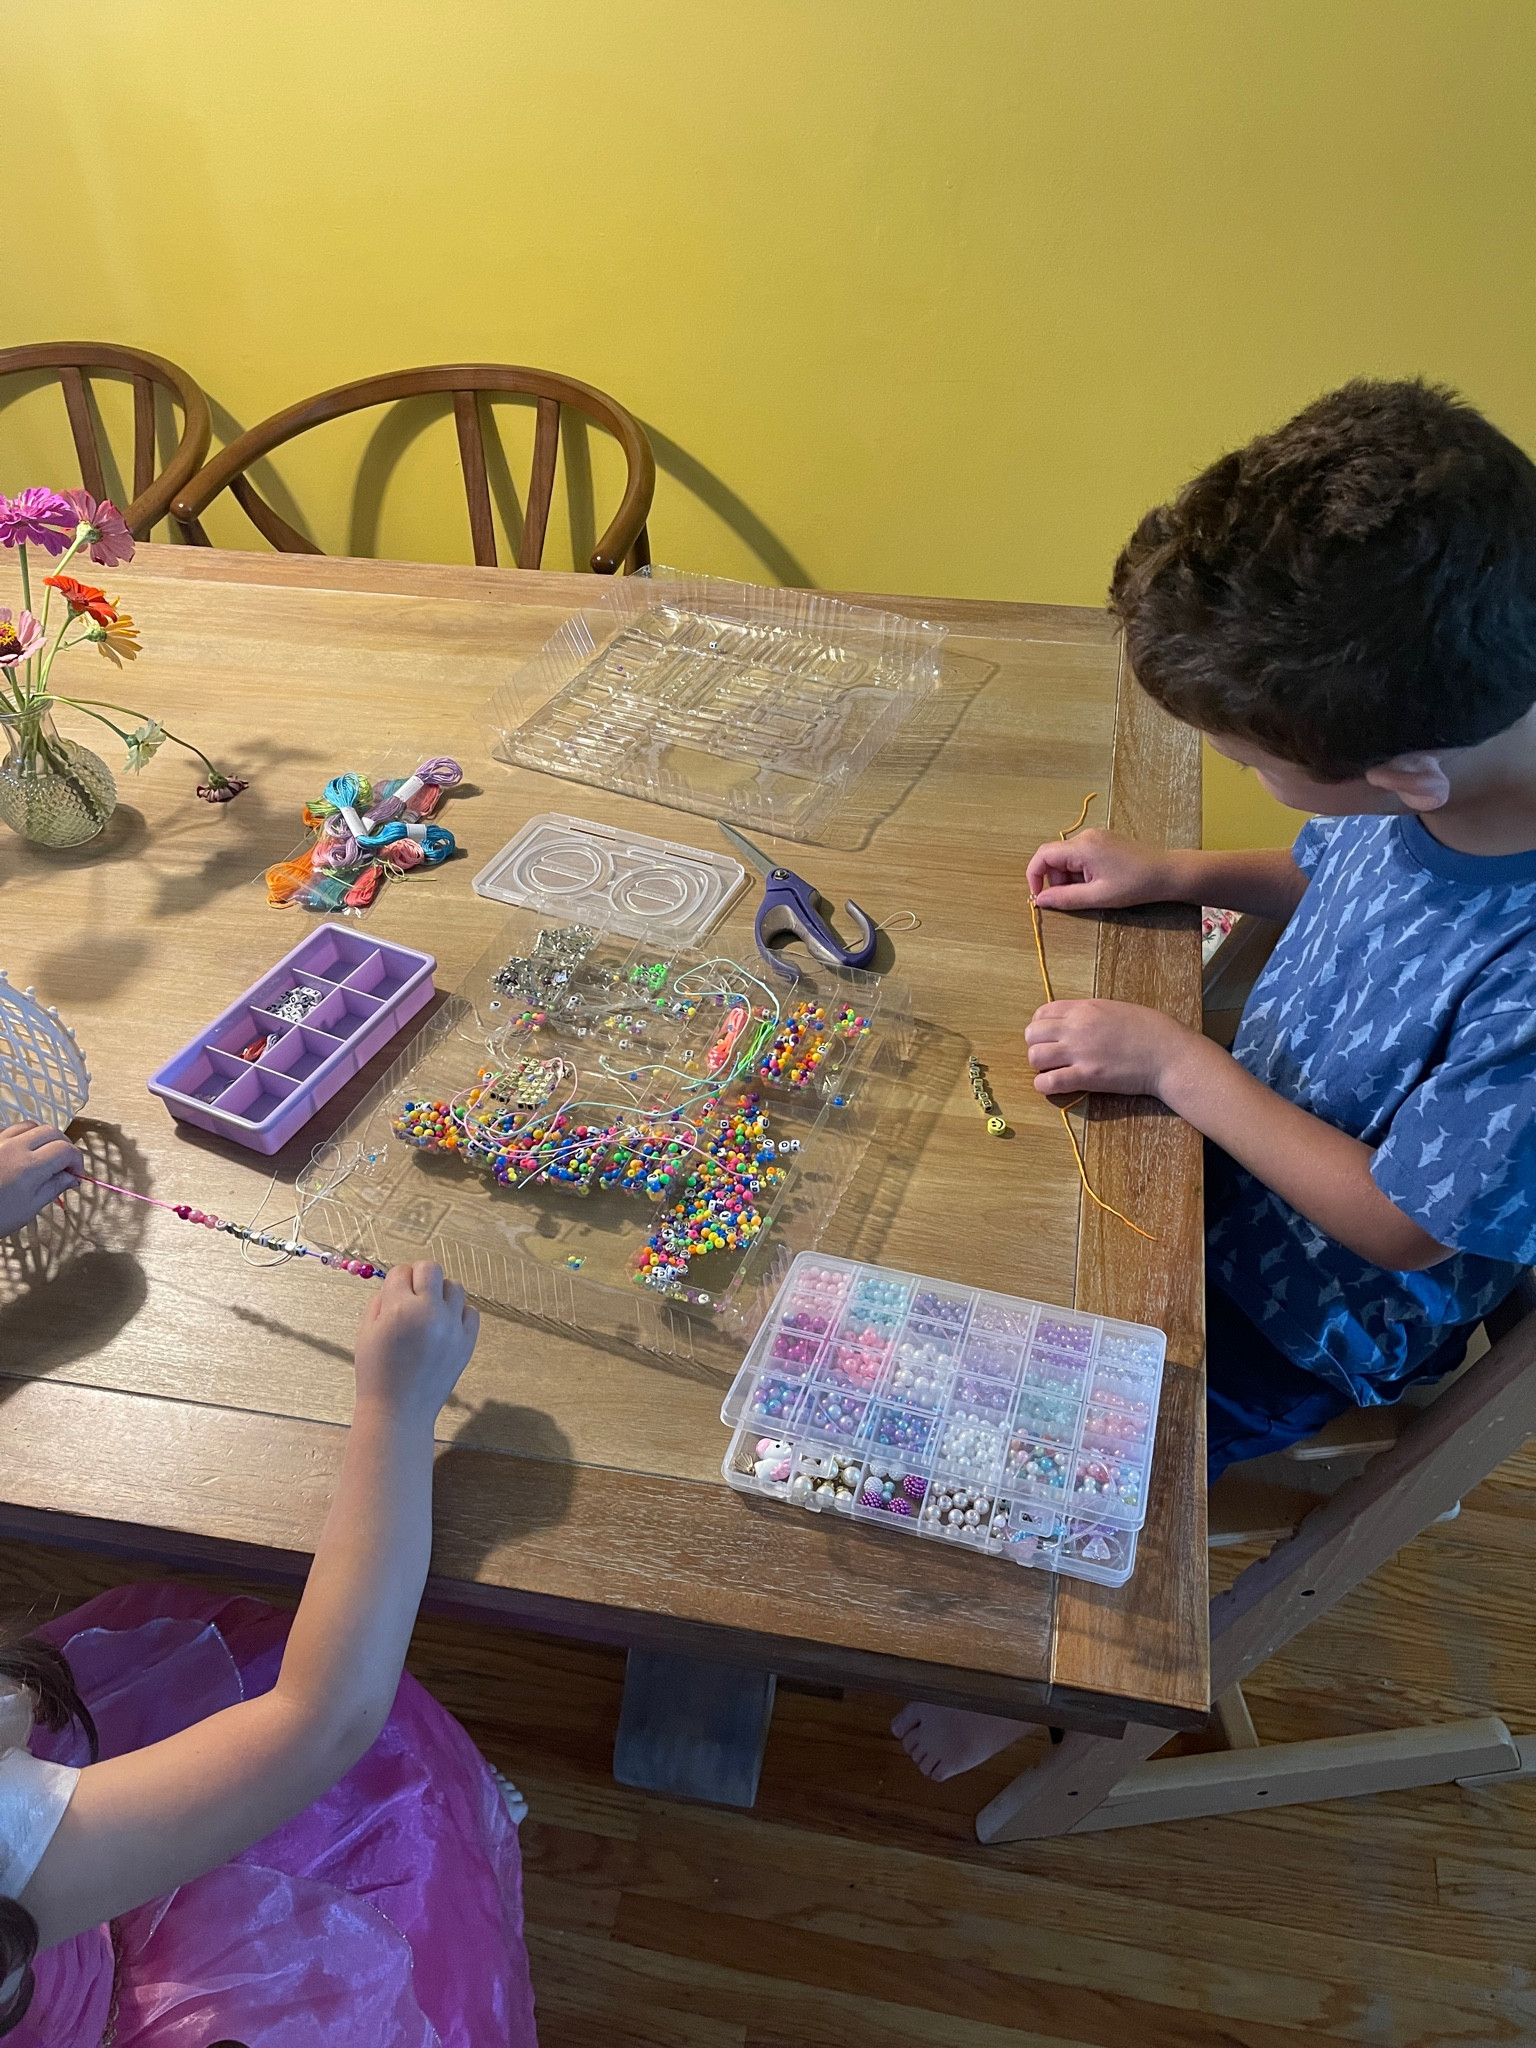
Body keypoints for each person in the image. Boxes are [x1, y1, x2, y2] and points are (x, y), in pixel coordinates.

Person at [894, 377, 1536, 1782]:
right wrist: (1184, 875)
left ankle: (1051, 1678)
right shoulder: (1470, 751)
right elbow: (1338, 866)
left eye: (1250, 764)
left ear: (1408, 768)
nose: (1241, 773)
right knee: (983, 1241)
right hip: (1245, 1142)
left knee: (1120, 1426)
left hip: (1316, 1298)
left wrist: (1180, 1063)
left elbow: (1403, 1224)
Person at [0, 1120, 538, 2044]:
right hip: (94, 1952)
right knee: (387, 1796)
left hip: (47, 1868)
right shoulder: (17, 1858)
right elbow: (323, 1720)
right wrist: (396, 1408)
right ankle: (460, 1822)